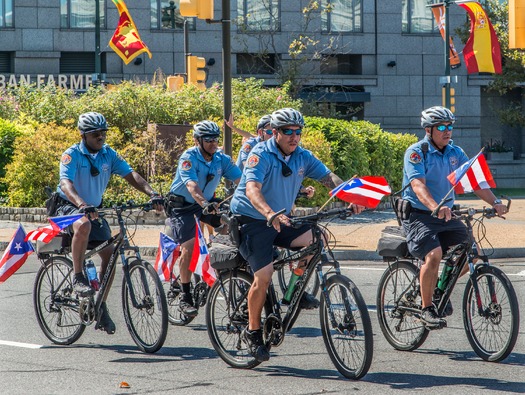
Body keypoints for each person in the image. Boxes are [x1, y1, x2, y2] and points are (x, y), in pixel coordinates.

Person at [230, 108, 364, 362]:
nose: (294, 136)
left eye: (298, 132)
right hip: (253, 220)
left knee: (318, 239)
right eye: (288, 132)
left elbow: (328, 177)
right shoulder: (260, 154)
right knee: (265, 276)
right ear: (276, 132)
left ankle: (294, 293)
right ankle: (253, 331)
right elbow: (251, 189)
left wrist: (350, 196)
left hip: (282, 219)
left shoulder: (303, 156)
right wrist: (271, 214)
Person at [55, 112, 164, 334]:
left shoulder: (108, 154)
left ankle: (100, 303)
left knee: (110, 253)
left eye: (103, 132)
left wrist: (152, 194)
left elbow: (131, 175)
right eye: (96, 133)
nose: (101, 137)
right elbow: (65, 183)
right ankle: (77, 276)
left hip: (92, 208)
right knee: (83, 225)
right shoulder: (72, 155)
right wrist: (82, 204)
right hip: (68, 205)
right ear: (84, 135)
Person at [401, 106, 508, 329]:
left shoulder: (455, 152)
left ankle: (439, 288)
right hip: (419, 215)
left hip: (446, 215)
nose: (447, 131)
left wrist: (495, 203)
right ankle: (427, 308)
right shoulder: (416, 152)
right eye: (441, 126)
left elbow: (475, 182)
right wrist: (435, 206)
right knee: (434, 254)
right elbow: (418, 185)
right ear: (428, 130)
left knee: (473, 252)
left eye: (450, 126)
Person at [166, 120, 242, 317]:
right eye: (208, 139)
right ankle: (185, 294)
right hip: (183, 206)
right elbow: (191, 185)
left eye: (215, 139)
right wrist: (204, 203)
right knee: (189, 247)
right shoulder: (188, 157)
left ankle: (211, 260)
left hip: (207, 203)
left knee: (231, 224)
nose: (213, 143)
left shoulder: (221, 159)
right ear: (197, 140)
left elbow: (241, 181)